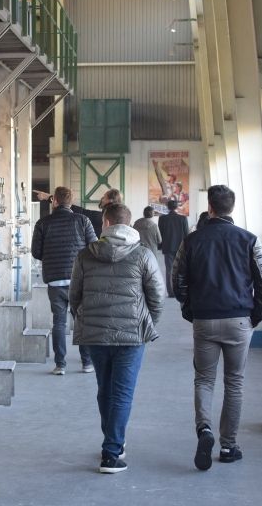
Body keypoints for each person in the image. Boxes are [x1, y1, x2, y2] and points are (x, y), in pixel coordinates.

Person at [172, 185, 262, 471]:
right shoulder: (249, 240)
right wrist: (256, 316)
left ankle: (204, 430)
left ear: (210, 207)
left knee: (204, 379)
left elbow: (176, 278)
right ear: (232, 207)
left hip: (205, 319)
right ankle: (229, 445)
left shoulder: (192, 241)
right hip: (239, 319)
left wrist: (189, 308)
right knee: (235, 382)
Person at [70, 203, 164, 474]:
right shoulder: (143, 255)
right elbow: (157, 298)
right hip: (131, 337)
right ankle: (111, 452)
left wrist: (86, 320)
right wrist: (145, 325)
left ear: (106, 223)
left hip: (96, 336)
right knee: (122, 394)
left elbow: (74, 296)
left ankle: (111, 441)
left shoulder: (85, 255)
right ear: (129, 224)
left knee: (105, 389)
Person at [31, 187, 98, 375]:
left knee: (59, 322)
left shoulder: (43, 223)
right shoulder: (83, 220)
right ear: (72, 200)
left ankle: (60, 365)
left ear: (54, 201)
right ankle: (87, 363)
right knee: (81, 321)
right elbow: (94, 247)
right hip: (79, 280)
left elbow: (36, 252)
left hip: (54, 280)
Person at [158, 199, 189, 298]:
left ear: (168, 207)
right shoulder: (183, 218)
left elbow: (160, 234)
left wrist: (160, 246)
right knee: (181, 269)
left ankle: (171, 292)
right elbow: (186, 234)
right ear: (176, 207)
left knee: (169, 270)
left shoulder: (162, 219)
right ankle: (180, 290)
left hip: (168, 247)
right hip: (181, 247)